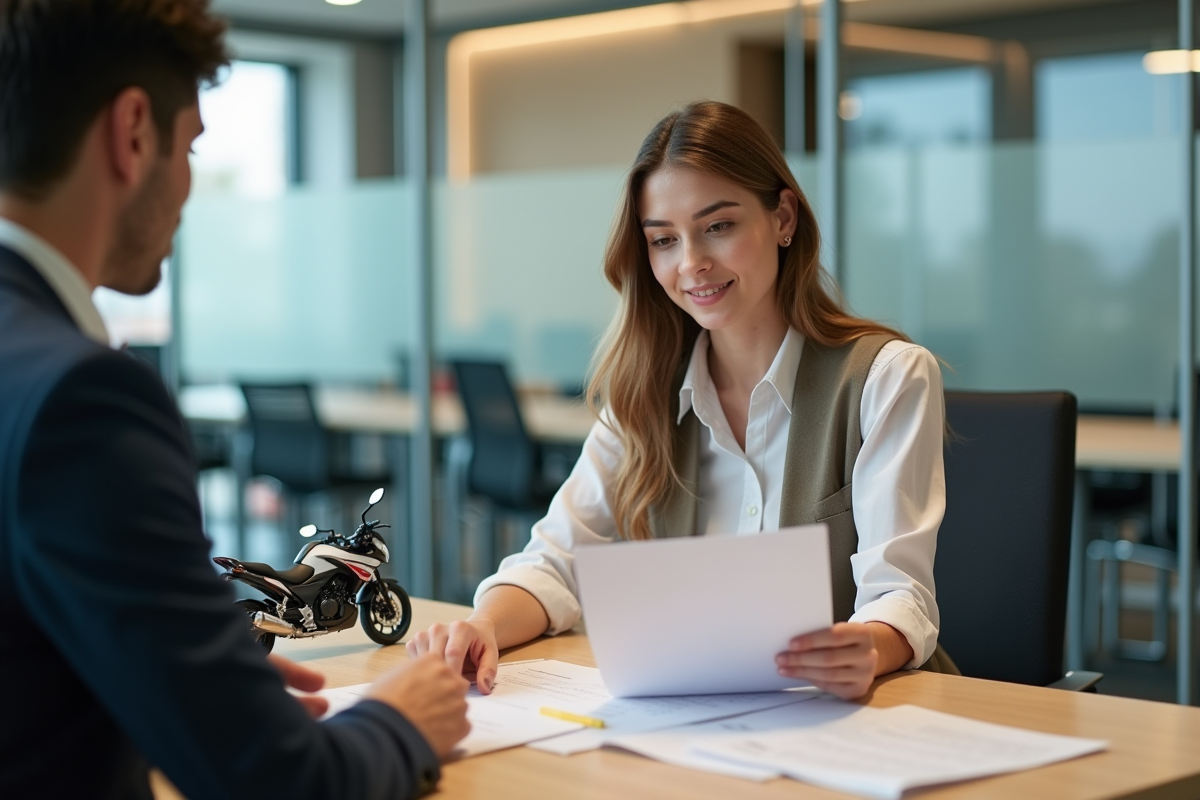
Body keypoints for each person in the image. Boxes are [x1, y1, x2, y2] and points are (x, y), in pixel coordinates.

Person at [0, 2, 469, 798]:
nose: (188, 189)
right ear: (134, 131)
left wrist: (181, 682)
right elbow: (280, 781)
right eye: (190, 148)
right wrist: (400, 717)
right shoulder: (85, 397)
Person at [409, 100, 957, 701]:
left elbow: (899, 596)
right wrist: (484, 623)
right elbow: (555, 562)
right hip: (700, 720)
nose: (691, 262)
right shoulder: (644, 396)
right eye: (664, 239)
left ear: (783, 218)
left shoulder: (885, 377)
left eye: (718, 226)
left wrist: (870, 644)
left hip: (858, 718)